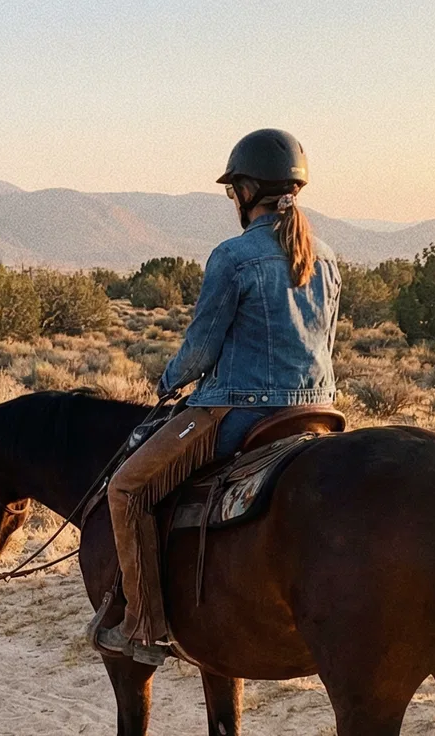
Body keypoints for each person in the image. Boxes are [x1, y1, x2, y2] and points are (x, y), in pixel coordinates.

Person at [93, 128, 342, 665]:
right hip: (316, 412)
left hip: (237, 410)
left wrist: (169, 380)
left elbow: (202, 349)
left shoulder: (234, 256)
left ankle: (143, 626)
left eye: (234, 192)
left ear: (248, 190)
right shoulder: (326, 257)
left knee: (127, 488)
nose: (234, 200)